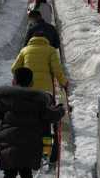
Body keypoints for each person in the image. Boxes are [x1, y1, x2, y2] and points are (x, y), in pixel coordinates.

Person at [12, 32, 68, 164]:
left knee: (28, 120)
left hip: (27, 92)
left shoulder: (25, 50)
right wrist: (63, 83)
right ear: (45, 40)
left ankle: (28, 149)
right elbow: (57, 70)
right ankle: (46, 153)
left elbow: (14, 68)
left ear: (32, 40)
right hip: (45, 93)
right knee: (45, 123)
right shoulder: (50, 50)